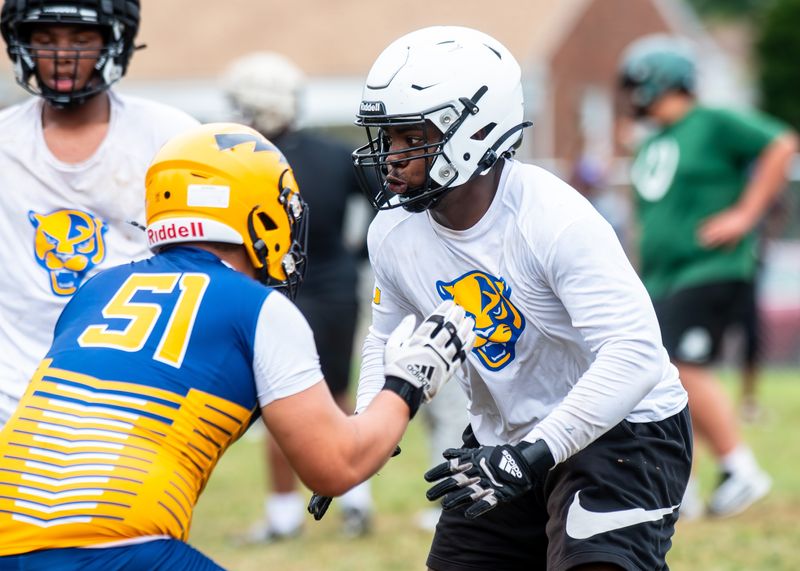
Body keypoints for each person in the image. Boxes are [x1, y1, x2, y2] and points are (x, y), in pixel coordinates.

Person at [0, 122, 476, 570]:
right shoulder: (256, 308)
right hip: (117, 542)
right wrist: (409, 381)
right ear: (260, 213)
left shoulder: (94, 291)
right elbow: (336, 465)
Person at [310, 26, 692, 571]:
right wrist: (365, 440)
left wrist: (532, 457)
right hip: (508, 436)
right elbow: (386, 337)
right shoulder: (392, 230)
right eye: (385, 136)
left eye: (409, 135)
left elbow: (636, 356)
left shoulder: (553, 219)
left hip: (623, 430)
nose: (390, 157)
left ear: (477, 130)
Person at [619, 35, 797, 519]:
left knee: (680, 366)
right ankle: (684, 483)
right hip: (662, 276)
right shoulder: (652, 141)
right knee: (657, 376)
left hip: (711, 267)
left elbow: (782, 143)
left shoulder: (712, 121)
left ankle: (741, 469)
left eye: (637, 85)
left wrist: (745, 213)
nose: (632, 96)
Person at [0, 0, 198, 428]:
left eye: (82, 38)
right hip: (15, 392)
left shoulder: (171, 137)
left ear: (114, 40)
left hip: (134, 387)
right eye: (45, 39)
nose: (62, 54)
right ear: (22, 42)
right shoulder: (5, 144)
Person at [222, 51, 373, 539]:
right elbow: (385, 209)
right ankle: (356, 502)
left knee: (276, 403)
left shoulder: (247, 162)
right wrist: (358, 256)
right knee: (338, 394)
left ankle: (284, 514)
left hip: (277, 292)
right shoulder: (335, 154)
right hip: (336, 288)